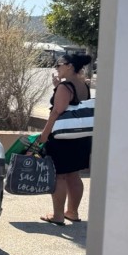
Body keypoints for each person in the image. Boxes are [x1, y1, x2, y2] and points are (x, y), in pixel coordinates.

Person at [35, 53, 93, 225]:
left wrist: (44, 134)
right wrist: (57, 87)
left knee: (59, 176)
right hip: (81, 136)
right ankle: (72, 212)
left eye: (59, 64)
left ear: (69, 66)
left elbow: (57, 111)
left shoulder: (65, 86)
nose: (56, 68)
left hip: (63, 137)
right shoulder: (83, 85)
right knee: (73, 175)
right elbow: (74, 105)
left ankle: (58, 215)